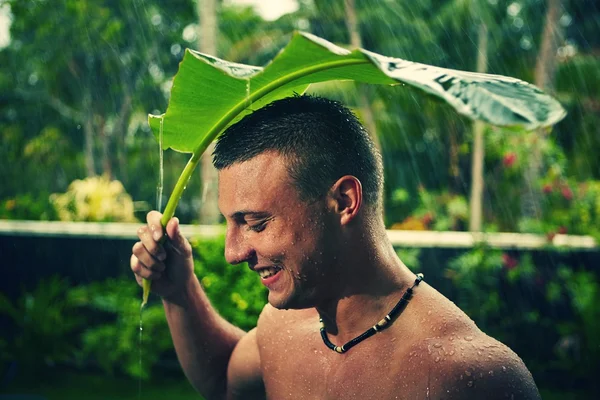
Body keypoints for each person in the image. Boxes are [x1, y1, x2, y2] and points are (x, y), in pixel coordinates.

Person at [131, 95, 541, 400]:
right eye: (231, 224)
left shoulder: (469, 377)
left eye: (255, 223)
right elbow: (223, 379)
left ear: (344, 201)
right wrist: (179, 289)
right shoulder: (282, 329)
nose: (233, 252)